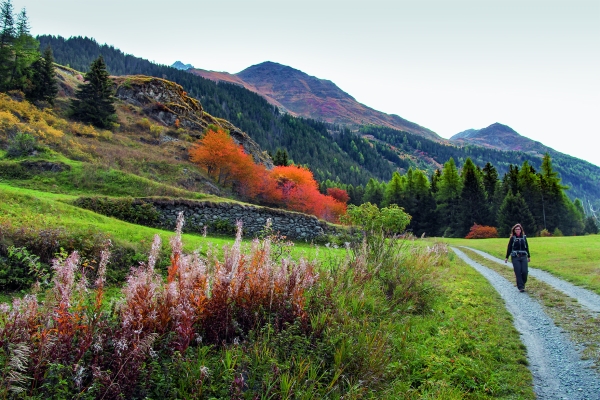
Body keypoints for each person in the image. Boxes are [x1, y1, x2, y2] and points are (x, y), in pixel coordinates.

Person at [504, 223, 530, 292]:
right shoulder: (512, 238)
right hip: (515, 257)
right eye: (516, 229)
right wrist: (506, 257)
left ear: (521, 230)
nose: (518, 230)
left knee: (524, 272)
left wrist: (529, 256)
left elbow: (527, 247)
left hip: (524, 256)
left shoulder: (524, 237)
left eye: (519, 229)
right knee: (518, 272)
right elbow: (509, 248)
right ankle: (521, 287)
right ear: (514, 230)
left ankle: (522, 283)